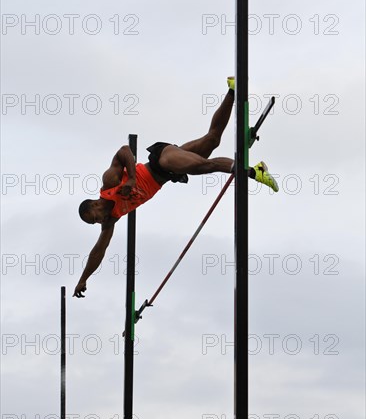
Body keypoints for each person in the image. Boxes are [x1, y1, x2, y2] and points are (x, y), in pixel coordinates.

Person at [73, 77, 278, 298]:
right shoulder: (111, 219)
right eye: (96, 222)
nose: (99, 222)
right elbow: (98, 252)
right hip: (169, 174)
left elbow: (124, 151)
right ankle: (232, 91)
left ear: (95, 204)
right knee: (212, 139)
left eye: (95, 218)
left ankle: (254, 171)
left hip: (163, 160)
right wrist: (83, 279)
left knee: (204, 166)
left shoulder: (109, 183)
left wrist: (131, 178)